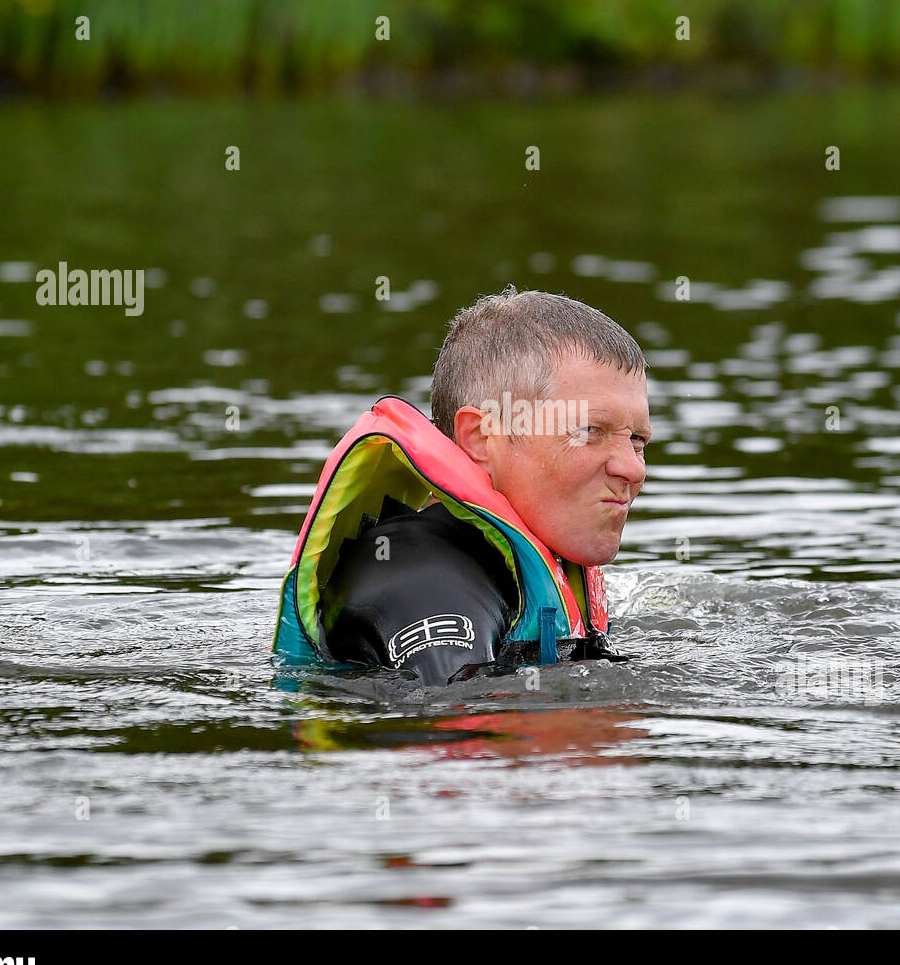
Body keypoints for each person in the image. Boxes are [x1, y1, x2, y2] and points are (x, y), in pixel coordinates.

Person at [271, 286, 650, 686]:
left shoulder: (539, 562)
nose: (633, 469)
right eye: (590, 431)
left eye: (637, 440)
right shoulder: (424, 583)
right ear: (482, 438)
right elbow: (452, 727)